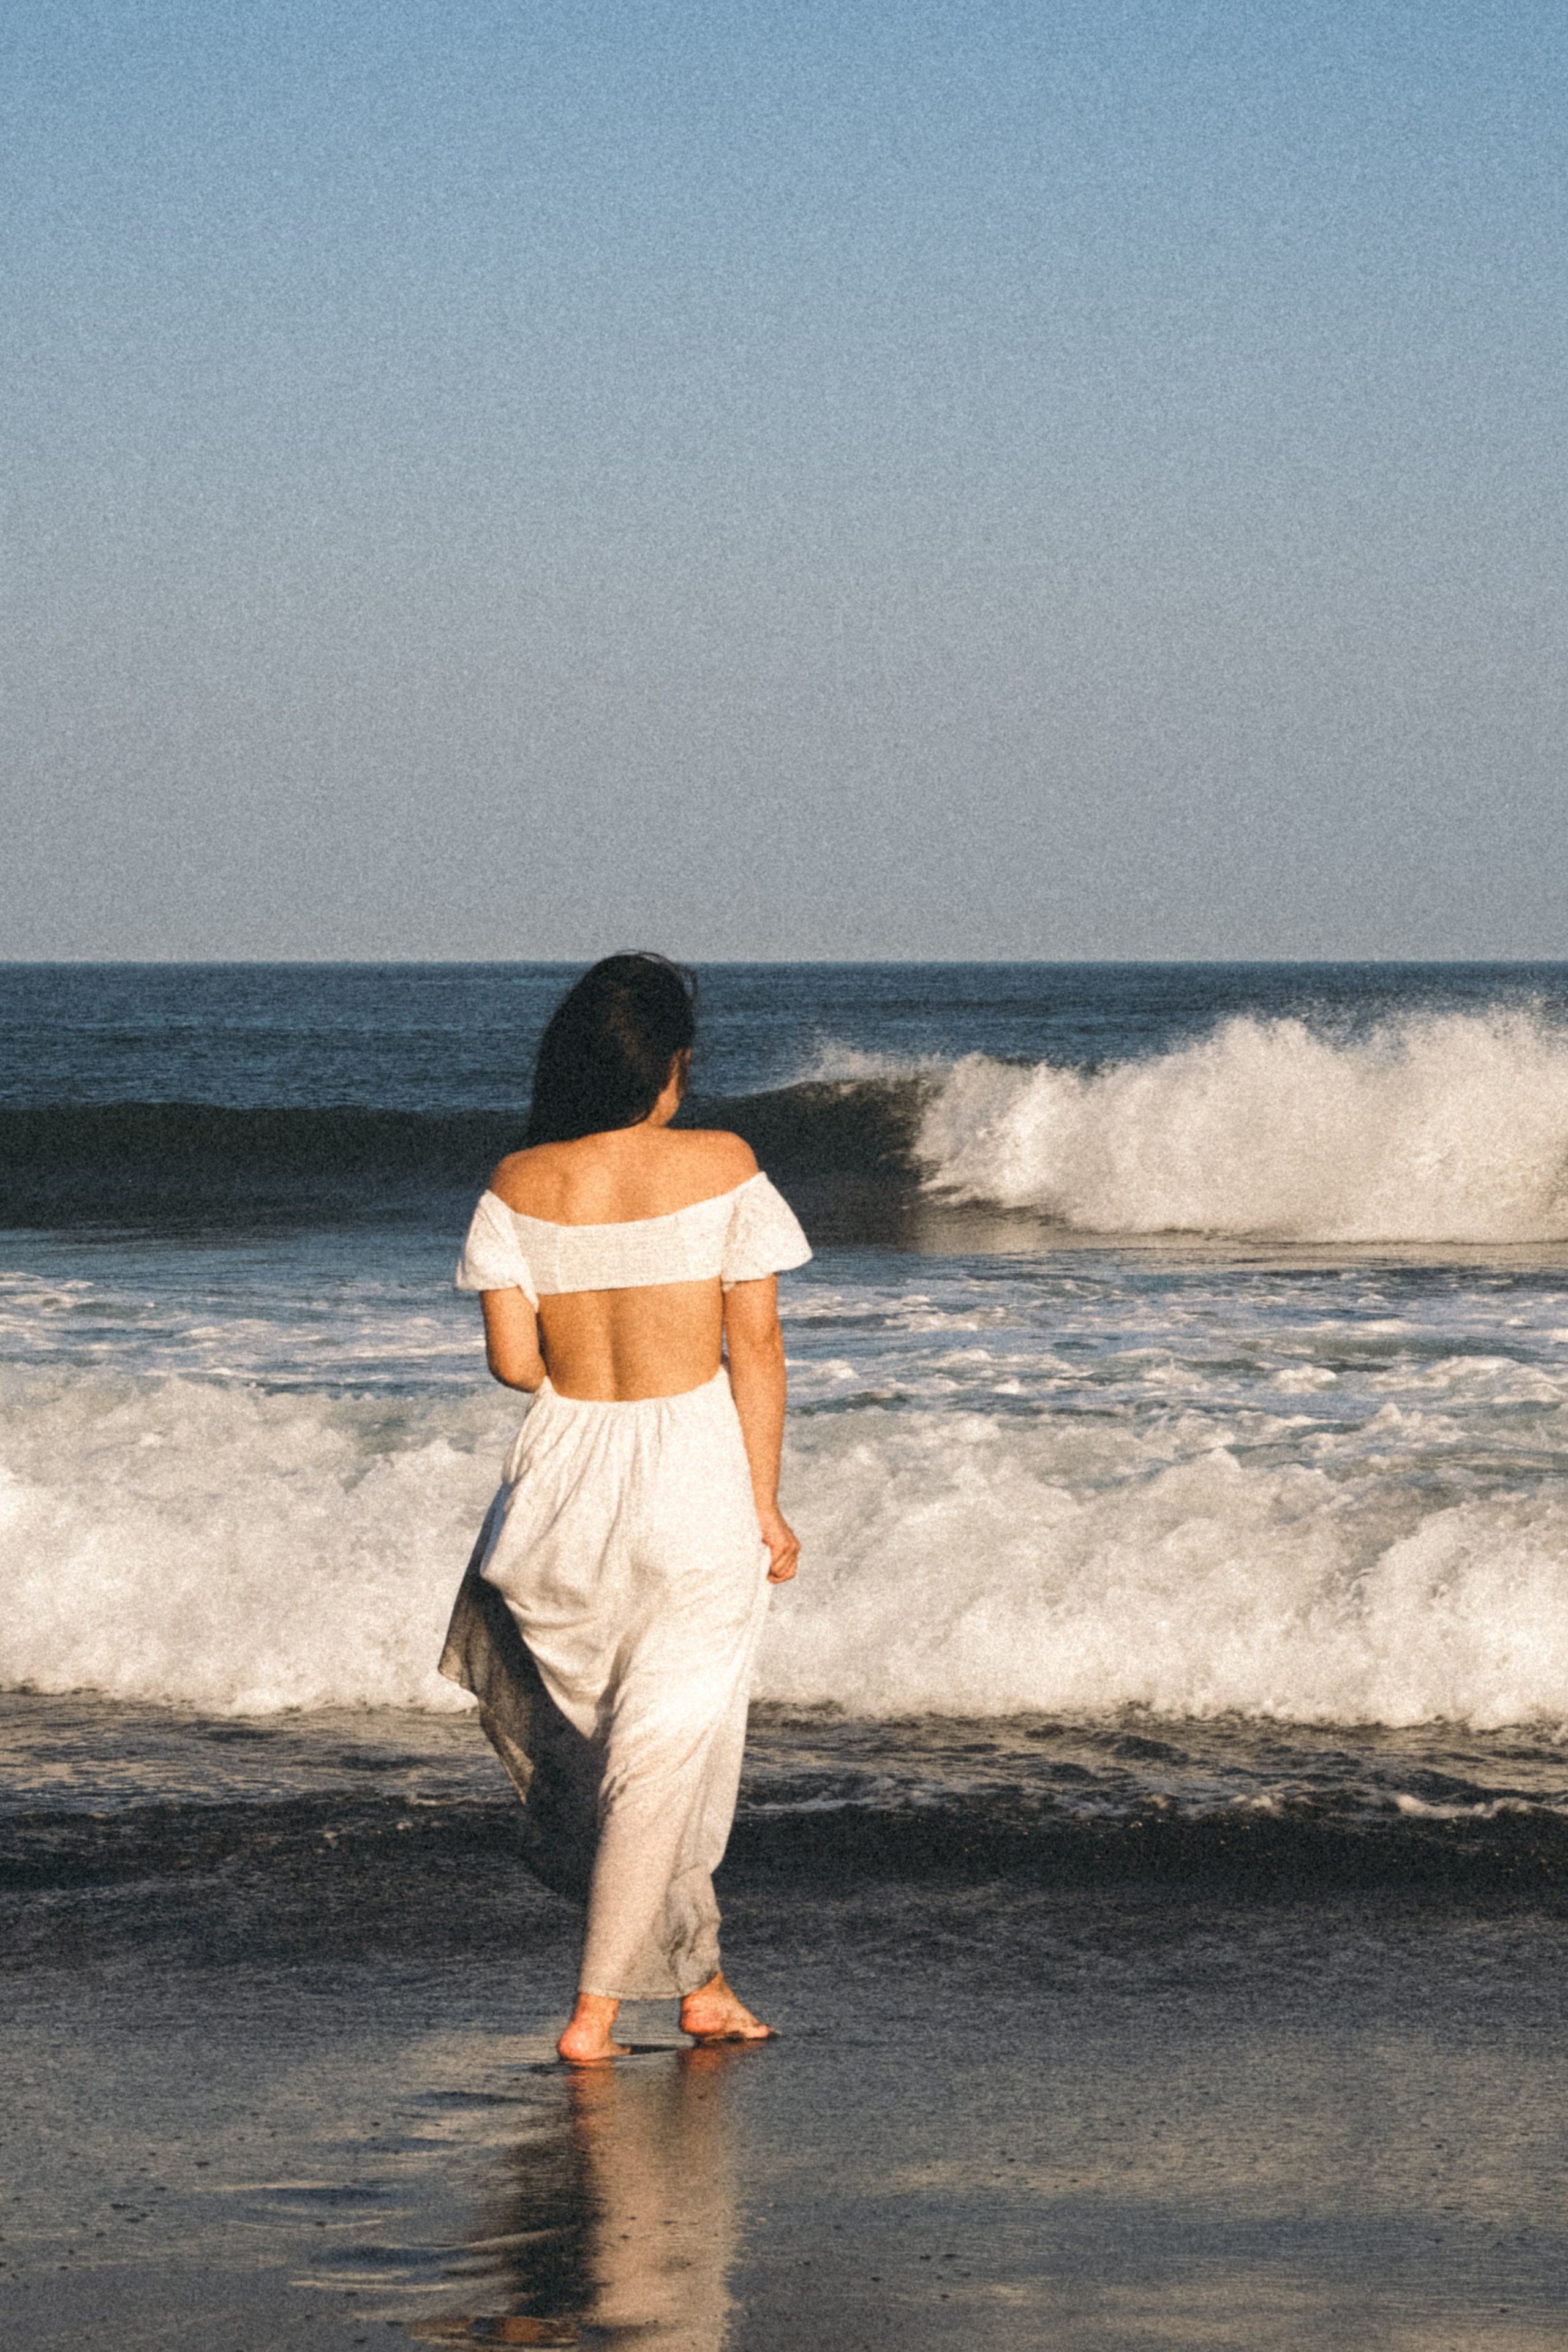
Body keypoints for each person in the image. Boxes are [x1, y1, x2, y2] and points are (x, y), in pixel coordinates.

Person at [439, 954, 812, 2064]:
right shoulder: (725, 1164)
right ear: (670, 1068)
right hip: (688, 1478)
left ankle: (701, 1988)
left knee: (644, 1755)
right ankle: (595, 2016)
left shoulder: (515, 1182)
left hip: (559, 1487)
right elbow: (757, 1349)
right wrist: (770, 1507)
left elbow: (517, 1364)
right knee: (664, 1758)